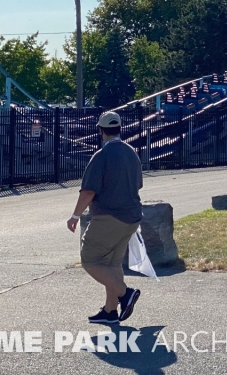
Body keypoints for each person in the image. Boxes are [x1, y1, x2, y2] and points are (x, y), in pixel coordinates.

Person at [66, 111, 143, 324]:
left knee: (90, 260)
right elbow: (137, 184)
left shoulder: (101, 156)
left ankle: (125, 294)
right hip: (132, 217)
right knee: (112, 263)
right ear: (120, 129)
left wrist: (75, 215)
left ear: (100, 130)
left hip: (110, 217)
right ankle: (110, 311)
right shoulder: (131, 152)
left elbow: (88, 191)